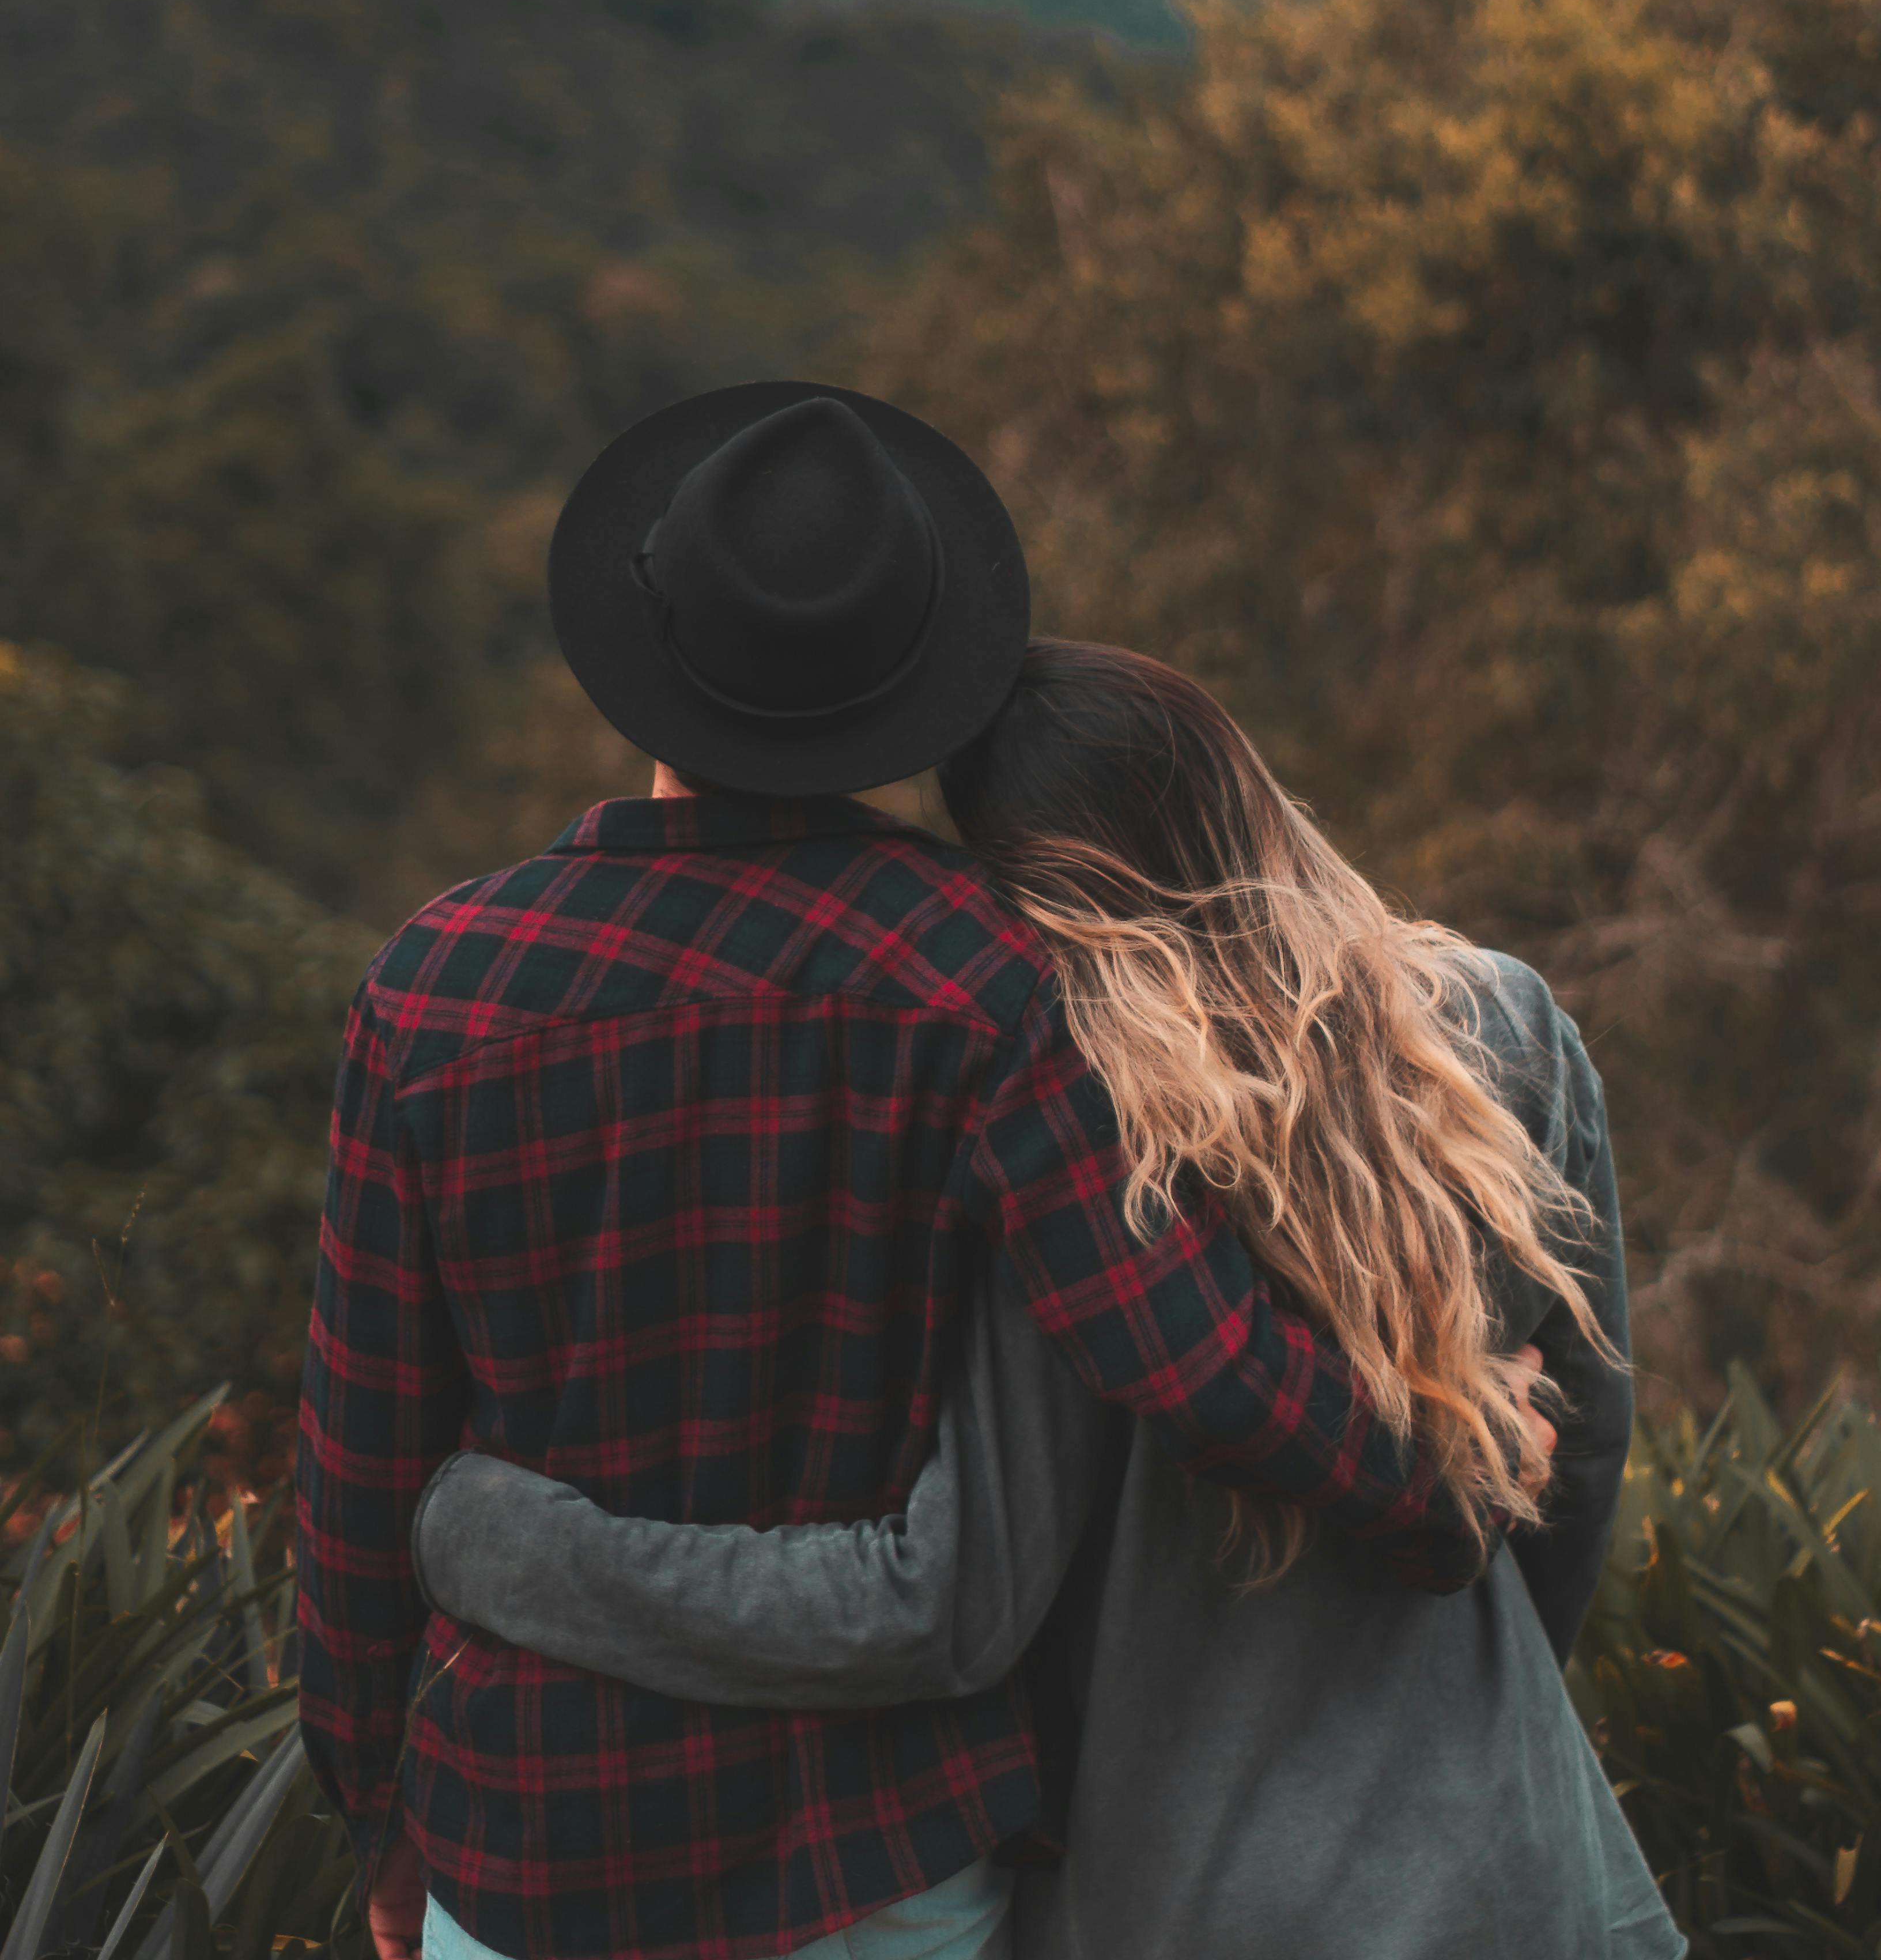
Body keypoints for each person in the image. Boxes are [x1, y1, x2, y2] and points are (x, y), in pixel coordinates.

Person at [295, 390, 1546, 1960]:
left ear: (646, 665)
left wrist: (373, 1801)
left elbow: (358, 1462)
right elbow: (1188, 1358)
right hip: (874, 1860)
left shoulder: (435, 988)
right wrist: (1438, 1476)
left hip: (536, 1843)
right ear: (896, 688)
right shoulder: (986, 976)